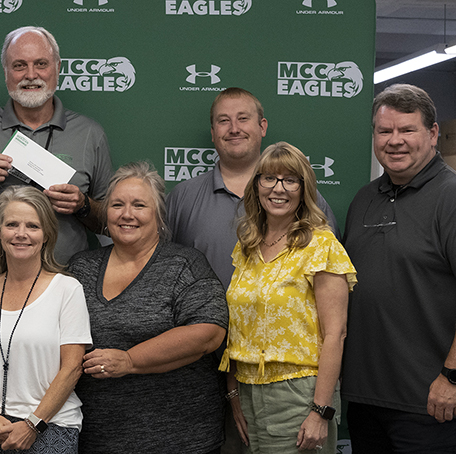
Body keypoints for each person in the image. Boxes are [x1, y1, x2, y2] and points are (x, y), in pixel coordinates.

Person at [68, 161, 228, 453]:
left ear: (158, 216)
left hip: (180, 438)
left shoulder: (184, 264)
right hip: (99, 437)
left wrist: (129, 360)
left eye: (139, 205)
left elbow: (209, 332)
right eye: (117, 205)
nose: (127, 214)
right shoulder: (82, 267)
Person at [219, 142, 355, 454]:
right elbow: (238, 326)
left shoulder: (321, 245)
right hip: (248, 390)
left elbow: (336, 333)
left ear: (303, 188)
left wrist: (320, 412)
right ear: (257, 186)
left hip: (300, 392)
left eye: (290, 180)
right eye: (269, 178)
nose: (278, 188)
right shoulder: (247, 247)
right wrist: (234, 393)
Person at [342, 84, 456, 451]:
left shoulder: (449, 197)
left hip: (429, 402)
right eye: (385, 131)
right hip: (365, 398)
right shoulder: (364, 199)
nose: (395, 141)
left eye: (407, 130)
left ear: (433, 133)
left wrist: (451, 378)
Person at [0, 25, 113, 264]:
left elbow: (110, 223)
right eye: (19, 65)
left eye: (41, 64)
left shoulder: (90, 133)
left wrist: (82, 204)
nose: (30, 75)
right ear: (5, 71)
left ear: (57, 68)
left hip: (65, 278)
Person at [165, 87, 340, 290]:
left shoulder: (299, 195)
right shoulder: (182, 197)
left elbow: (332, 271)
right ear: (213, 133)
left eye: (243, 118)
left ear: (262, 127)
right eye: (223, 121)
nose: (234, 128)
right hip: (202, 322)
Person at [0, 185, 91, 453]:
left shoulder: (67, 289)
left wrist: (33, 424)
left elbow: (72, 368)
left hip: (51, 426)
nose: (21, 234)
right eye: (12, 224)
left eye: (33, 226)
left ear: (46, 236)